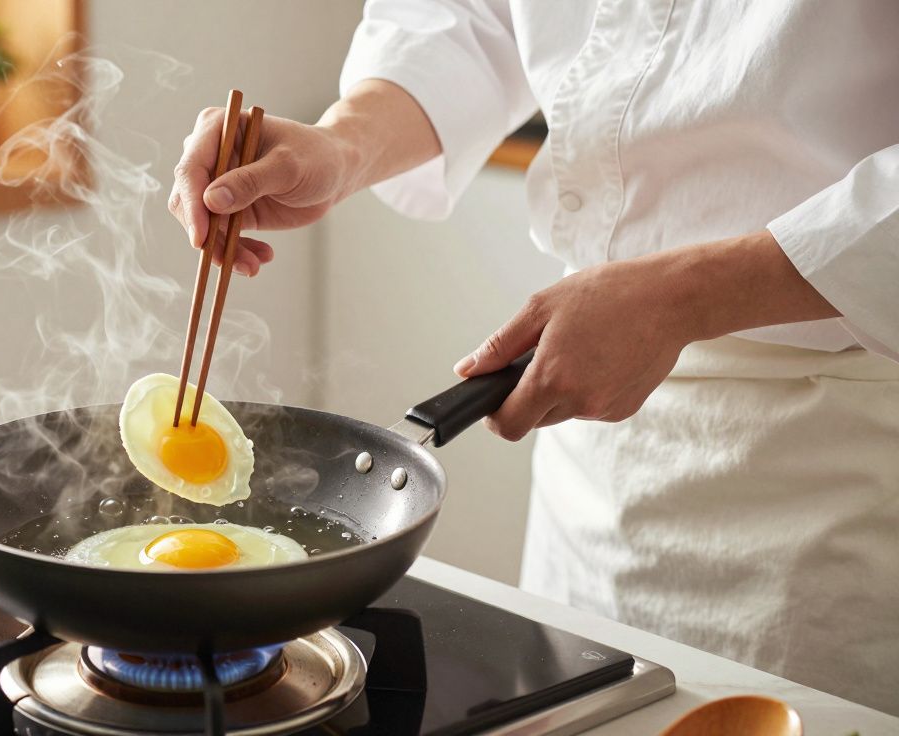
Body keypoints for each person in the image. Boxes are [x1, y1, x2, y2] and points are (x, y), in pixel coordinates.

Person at [168, 0, 898, 715]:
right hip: (591, 457)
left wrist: (682, 299)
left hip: (833, 476)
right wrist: (345, 142)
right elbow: (472, 16)